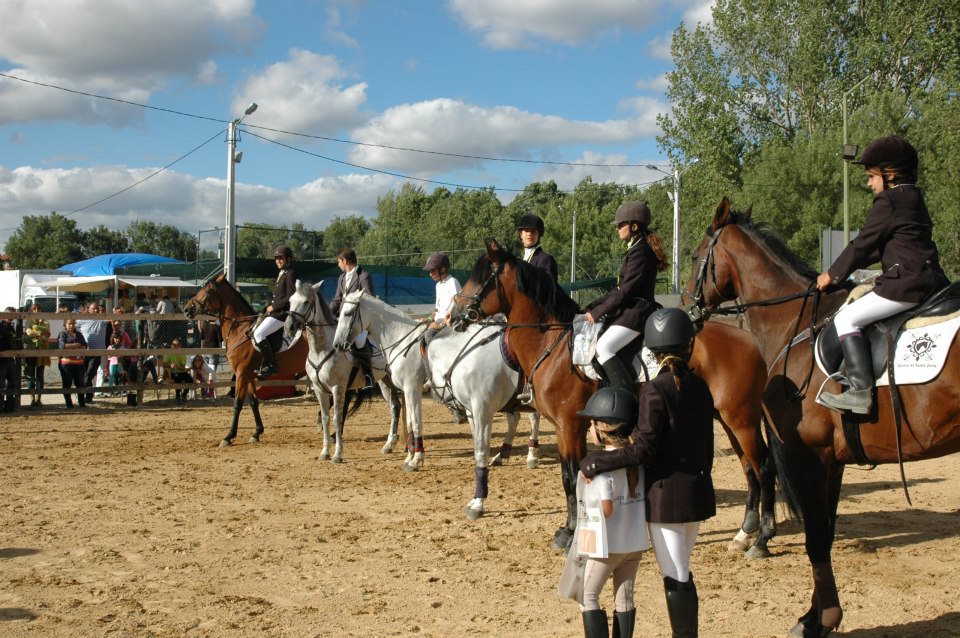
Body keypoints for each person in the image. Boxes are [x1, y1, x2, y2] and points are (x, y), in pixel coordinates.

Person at [580, 308, 715, 638]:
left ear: (652, 351)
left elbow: (643, 449)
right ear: (689, 344)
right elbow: (707, 445)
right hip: (696, 490)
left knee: (676, 572)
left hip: (666, 497)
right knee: (681, 567)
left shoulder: (656, 389)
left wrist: (595, 462)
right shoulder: (700, 386)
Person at [816, 136, 949, 415]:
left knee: (847, 318)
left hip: (906, 284)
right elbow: (887, 247)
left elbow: (862, 243)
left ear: (890, 175)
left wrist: (831, 275)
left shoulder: (889, 200)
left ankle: (860, 392)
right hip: (930, 280)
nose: (869, 184)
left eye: (871, 177)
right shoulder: (913, 196)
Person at [574, 387, 649, 638]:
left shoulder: (599, 472)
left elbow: (605, 510)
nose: (588, 428)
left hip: (608, 546)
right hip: (635, 543)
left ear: (604, 428)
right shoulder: (638, 464)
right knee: (625, 599)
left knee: (588, 596)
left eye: (592, 423)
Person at [584, 201, 667, 392]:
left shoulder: (641, 252)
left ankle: (626, 398)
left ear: (634, 226)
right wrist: (591, 306)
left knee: (603, 348)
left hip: (637, 312)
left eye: (621, 225)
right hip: (630, 310)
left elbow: (625, 292)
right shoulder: (635, 248)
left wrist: (597, 313)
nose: (618, 229)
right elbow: (618, 289)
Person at [329, 247, 376, 387]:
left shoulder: (363, 276)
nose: (338, 265)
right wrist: (328, 313)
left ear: (344, 261)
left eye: (339, 262)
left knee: (359, 342)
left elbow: (369, 299)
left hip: (359, 320)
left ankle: (368, 375)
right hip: (343, 319)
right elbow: (337, 299)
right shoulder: (342, 278)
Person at [253, 245, 298, 378]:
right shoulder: (282, 273)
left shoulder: (291, 274)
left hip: (282, 314)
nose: (278, 260)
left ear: (288, 259)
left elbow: (291, 297)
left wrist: (274, 306)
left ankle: (270, 364)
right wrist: (267, 307)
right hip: (275, 312)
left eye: (280, 258)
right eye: (276, 258)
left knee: (259, 334)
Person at [422, 252, 460, 345]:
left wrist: (441, 324)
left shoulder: (452, 282)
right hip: (438, 322)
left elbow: (457, 307)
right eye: (429, 271)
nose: (430, 274)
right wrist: (429, 319)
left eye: (433, 271)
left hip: (449, 323)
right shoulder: (438, 285)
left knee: (429, 334)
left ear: (442, 269)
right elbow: (437, 309)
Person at [76, 301, 108, 404]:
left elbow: (114, 318)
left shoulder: (102, 319)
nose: (96, 310)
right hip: (85, 351)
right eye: (94, 309)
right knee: (84, 373)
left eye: (97, 309)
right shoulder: (81, 320)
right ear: (88, 310)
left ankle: (81, 392)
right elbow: (68, 323)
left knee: (89, 374)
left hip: (97, 352)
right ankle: (88, 396)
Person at [517, 214, 559, 281]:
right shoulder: (519, 259)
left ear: (538, 235)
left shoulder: (546, 259)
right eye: (526, 230)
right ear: (521, 234)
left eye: (533, 231)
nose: (529, 234)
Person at [57, 317, 88, 409]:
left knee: (80, 383)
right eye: (69, 324)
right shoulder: (63, 333)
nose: (71, 326)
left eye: (73, 324)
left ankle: (82, 403)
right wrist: (77, 345)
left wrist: (73, 347)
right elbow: (63, 346)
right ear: (65, 325)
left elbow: (85, 346)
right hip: (66, 363)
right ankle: (69, 403)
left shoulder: (78, 334)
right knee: (67, 383)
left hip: (79, 363)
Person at [24, 303, 51, 408]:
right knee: (31, 376)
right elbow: (29, 332)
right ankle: (32, 398)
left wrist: (37, 332)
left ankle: (39, 399)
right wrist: (42, 334)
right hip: (31, 350)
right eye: (34, 309)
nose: (36, 311)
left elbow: (47, 335)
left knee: (40, 376)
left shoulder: (46, 322)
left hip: (41, 351)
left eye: (38, 309)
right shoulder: (28, 321)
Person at [0, 308, 17, 413]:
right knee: (1, 383)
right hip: (1, 359)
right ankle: (1, 405)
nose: (11, 317)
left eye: (12, 315)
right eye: (9, 314)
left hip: (10, 358)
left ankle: (10, 405)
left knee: (12, 382)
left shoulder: (12, 328)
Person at [165, 338, 193, 404]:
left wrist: (177, 366)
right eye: (174, 345)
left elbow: (183, 368)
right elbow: (164, 364)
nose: (176, 346)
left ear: (180, 346)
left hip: (181, 371)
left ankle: (184, 394)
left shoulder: (182, 354)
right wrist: (170, 365)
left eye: (178, 345)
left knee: (190, 380)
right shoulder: (169, 353)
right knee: (178, 379)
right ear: (171, 345)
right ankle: (178, 397)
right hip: (171, 372)